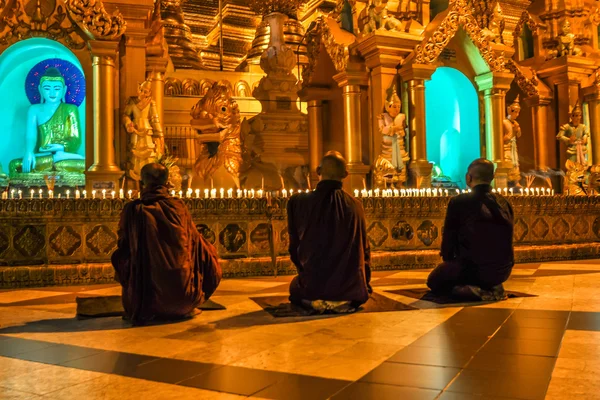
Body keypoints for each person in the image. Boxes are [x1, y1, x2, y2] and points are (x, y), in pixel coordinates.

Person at [111, 163, 222, 324]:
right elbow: (195, 243)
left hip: (146, 304)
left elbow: (123, 246)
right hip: (185, 300)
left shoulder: (134, 210)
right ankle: (184, 296)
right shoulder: (178, 206)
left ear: (142, 182)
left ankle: (139, 298)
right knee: (206, 250)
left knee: (122, 257)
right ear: (166, 182)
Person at [287, 151, 372, 313]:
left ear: (318, 171)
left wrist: (306, 274)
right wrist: (364, 284)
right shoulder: (356, 206)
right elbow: (365, 251)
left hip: (314, 286)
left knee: (294, 286)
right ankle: (342, 301)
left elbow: (294, 249)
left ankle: (314, 301)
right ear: (345, 174)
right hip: (350, 289)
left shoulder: (297, 202)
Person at [427, 158, 514, 300]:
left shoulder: (459, 202)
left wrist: (449, 263)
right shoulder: (504, 202)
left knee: (434, 280)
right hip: (503, 271)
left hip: (471, 270)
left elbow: (449, 240)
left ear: (469, 178)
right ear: (492, 177)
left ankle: (473, 290)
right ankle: (492, 287)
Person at [9, 67, 85, 176]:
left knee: (86, 165)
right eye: (47, 88)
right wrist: (29, 152)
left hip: (64, 156)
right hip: (42, 156)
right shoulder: (34, 110)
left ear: (64, 90)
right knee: (14, 165)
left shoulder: (70, 109)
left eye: (57, 88)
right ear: (40, 89)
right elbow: (31, 136)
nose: (52, 92)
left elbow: (76, 139)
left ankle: (56, 160)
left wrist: (61, 147)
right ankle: (55, 161)